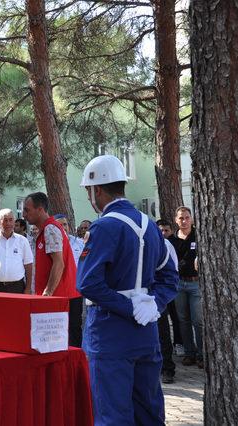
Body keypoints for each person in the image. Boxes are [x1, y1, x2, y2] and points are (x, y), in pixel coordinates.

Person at [76, 155, 178, 425]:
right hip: (146, 331)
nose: (89, 198)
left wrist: (128, 306)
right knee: (149, 412)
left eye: (89, 191)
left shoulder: (104, 226)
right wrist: (153, 304)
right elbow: (169, 276)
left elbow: (87, 283)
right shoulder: (151, 226)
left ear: (97, 190)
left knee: (112, 415)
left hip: (110, 334)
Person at [23, 192, 82, 347]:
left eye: (27, 210)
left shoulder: (50, 229)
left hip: (61, 298)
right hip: (59, 297)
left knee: (63, 345)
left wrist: (47, 293)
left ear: (40, 209)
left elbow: (59, 263)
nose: (23, 215)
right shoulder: (46, 229)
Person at [170, 206, 203, 369]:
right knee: (183, 320)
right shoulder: (171, 240)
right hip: (178, 284)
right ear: (176, 220)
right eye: (181, 218)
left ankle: (202, 355)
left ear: (192, 219)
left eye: (187, 217)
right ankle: (189, 353)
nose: (184, 221)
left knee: (198, 320)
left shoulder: (199, 235)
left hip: (196, 283)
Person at [0, 209, 33, 294]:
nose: (8, 223)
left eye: (10, 220)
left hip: (17, 287)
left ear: (14, 222)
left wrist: (27, 289)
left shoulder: (23, 241)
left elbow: (28, 265)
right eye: (5, 220)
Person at [156, 219, 184, 356]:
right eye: (161, 230)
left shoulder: (169, 244)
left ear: (171, 231)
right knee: (161, 325)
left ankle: (178, 343)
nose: (163, 233)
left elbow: (174, 267)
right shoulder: (152, 243)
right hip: (157, 291)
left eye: (166, 230)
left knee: (176, 317)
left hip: (169, 288)